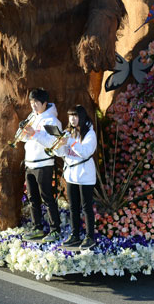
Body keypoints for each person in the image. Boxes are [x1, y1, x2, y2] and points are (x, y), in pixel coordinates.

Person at [19, 88, 62, 242]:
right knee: (32, 198)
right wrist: (23, 131)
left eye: (36, 102)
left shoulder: (52, 121)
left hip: (43, 164)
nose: (33, 105)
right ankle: (37, 227)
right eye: (31, 102)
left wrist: (34, 134)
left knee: (47, 198)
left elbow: (53, 143)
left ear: (45, 103)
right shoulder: (32, 117)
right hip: (29, 163)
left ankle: (55, 229)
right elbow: (24, 139)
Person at [57, 105, 97, 250]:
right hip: (71, 175)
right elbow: (61, 153)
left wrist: (70, 142)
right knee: (73, 207)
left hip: (85, 175)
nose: (72, 119)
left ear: (82, 117)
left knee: (86, 208)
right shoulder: (68, 132)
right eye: (70, 116)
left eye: (75, 116)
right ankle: (75, 235)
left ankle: (89, 237)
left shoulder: (90, 134)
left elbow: (85, 152)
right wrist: (60, 145)